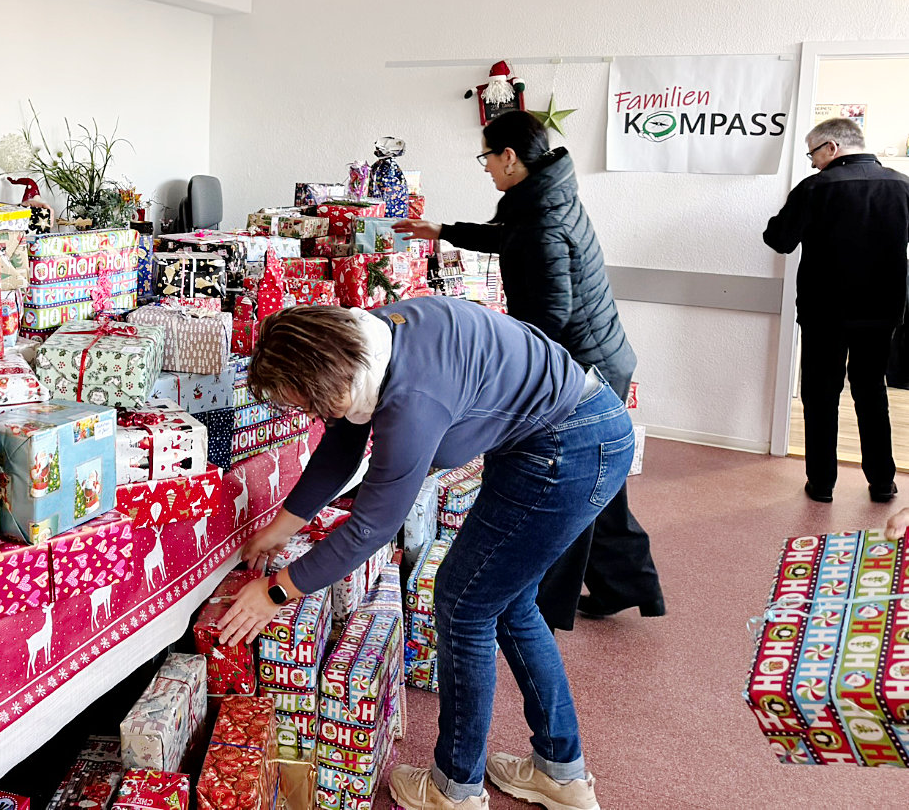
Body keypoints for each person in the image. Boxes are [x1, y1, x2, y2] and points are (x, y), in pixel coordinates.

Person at [218, 300, 630, 810]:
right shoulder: (369, 341)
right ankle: (560, 773)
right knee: (510, 603)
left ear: (326, 382)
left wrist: (277, 591)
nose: (307, 414)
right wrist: (284, 525)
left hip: (569, 450)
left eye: (306, 404)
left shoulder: (412, 404)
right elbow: (342, 443)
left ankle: (455, 790)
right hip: (559, 435)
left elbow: (372, 526)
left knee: (466, 606)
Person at [398, 111, 663, 628]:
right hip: (597, 352)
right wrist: (444, 230)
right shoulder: (544, 196)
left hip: (587, 365)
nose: (486, 169)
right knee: (600, 484)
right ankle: (628, 584)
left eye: (487, 158)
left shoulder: (542, 216)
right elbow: (510, 238)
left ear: (511, 157)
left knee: (571, 482)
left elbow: (550, 316)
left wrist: (499, 356)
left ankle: (543, 606)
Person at [764, 115, 909, 504]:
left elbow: (779, 240)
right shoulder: (903, 186)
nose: (812, 162)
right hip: (882, 313)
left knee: (820, 395)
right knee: (871, 392)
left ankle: (822, 484)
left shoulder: (816, 187)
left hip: (823, 312)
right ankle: (882, 483)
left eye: (813, 153)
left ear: (832, 147)